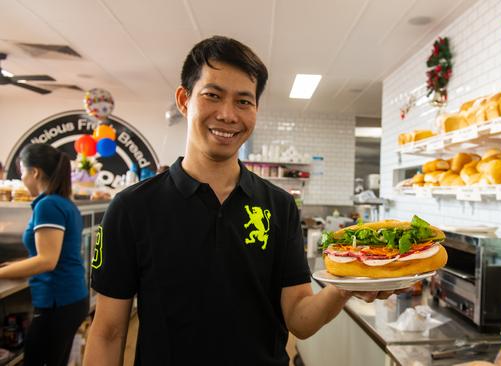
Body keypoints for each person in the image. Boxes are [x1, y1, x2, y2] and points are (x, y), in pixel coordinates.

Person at [84, 36, 391, 366]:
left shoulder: (279, 207)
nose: (228, 115)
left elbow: (300, 319)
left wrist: (345, 287)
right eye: (213, 96)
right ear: (184, 100)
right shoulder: (132, 208)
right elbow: (108, 332)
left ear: (256, 108)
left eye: (244, 102)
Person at [0, 143, 89, 366]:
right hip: (70, 298)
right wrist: (13, 265)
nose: (22, 179)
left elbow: (47, 260)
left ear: (35, 172)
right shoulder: (62, 203)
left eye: (22, 173)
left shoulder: (48, 205)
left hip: (58, 301)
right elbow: (52, 254)